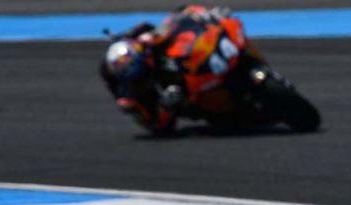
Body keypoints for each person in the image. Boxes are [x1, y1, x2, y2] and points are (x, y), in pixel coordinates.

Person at [99, 5, 265, 133]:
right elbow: (157, 125)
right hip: (188, 100)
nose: (143, 76)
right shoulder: (130, 96)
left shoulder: (139, 46)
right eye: (139, 76)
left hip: (184, 63)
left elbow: (173, 20)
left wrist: (207, 17)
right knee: (222, 121)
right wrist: (166, 106)